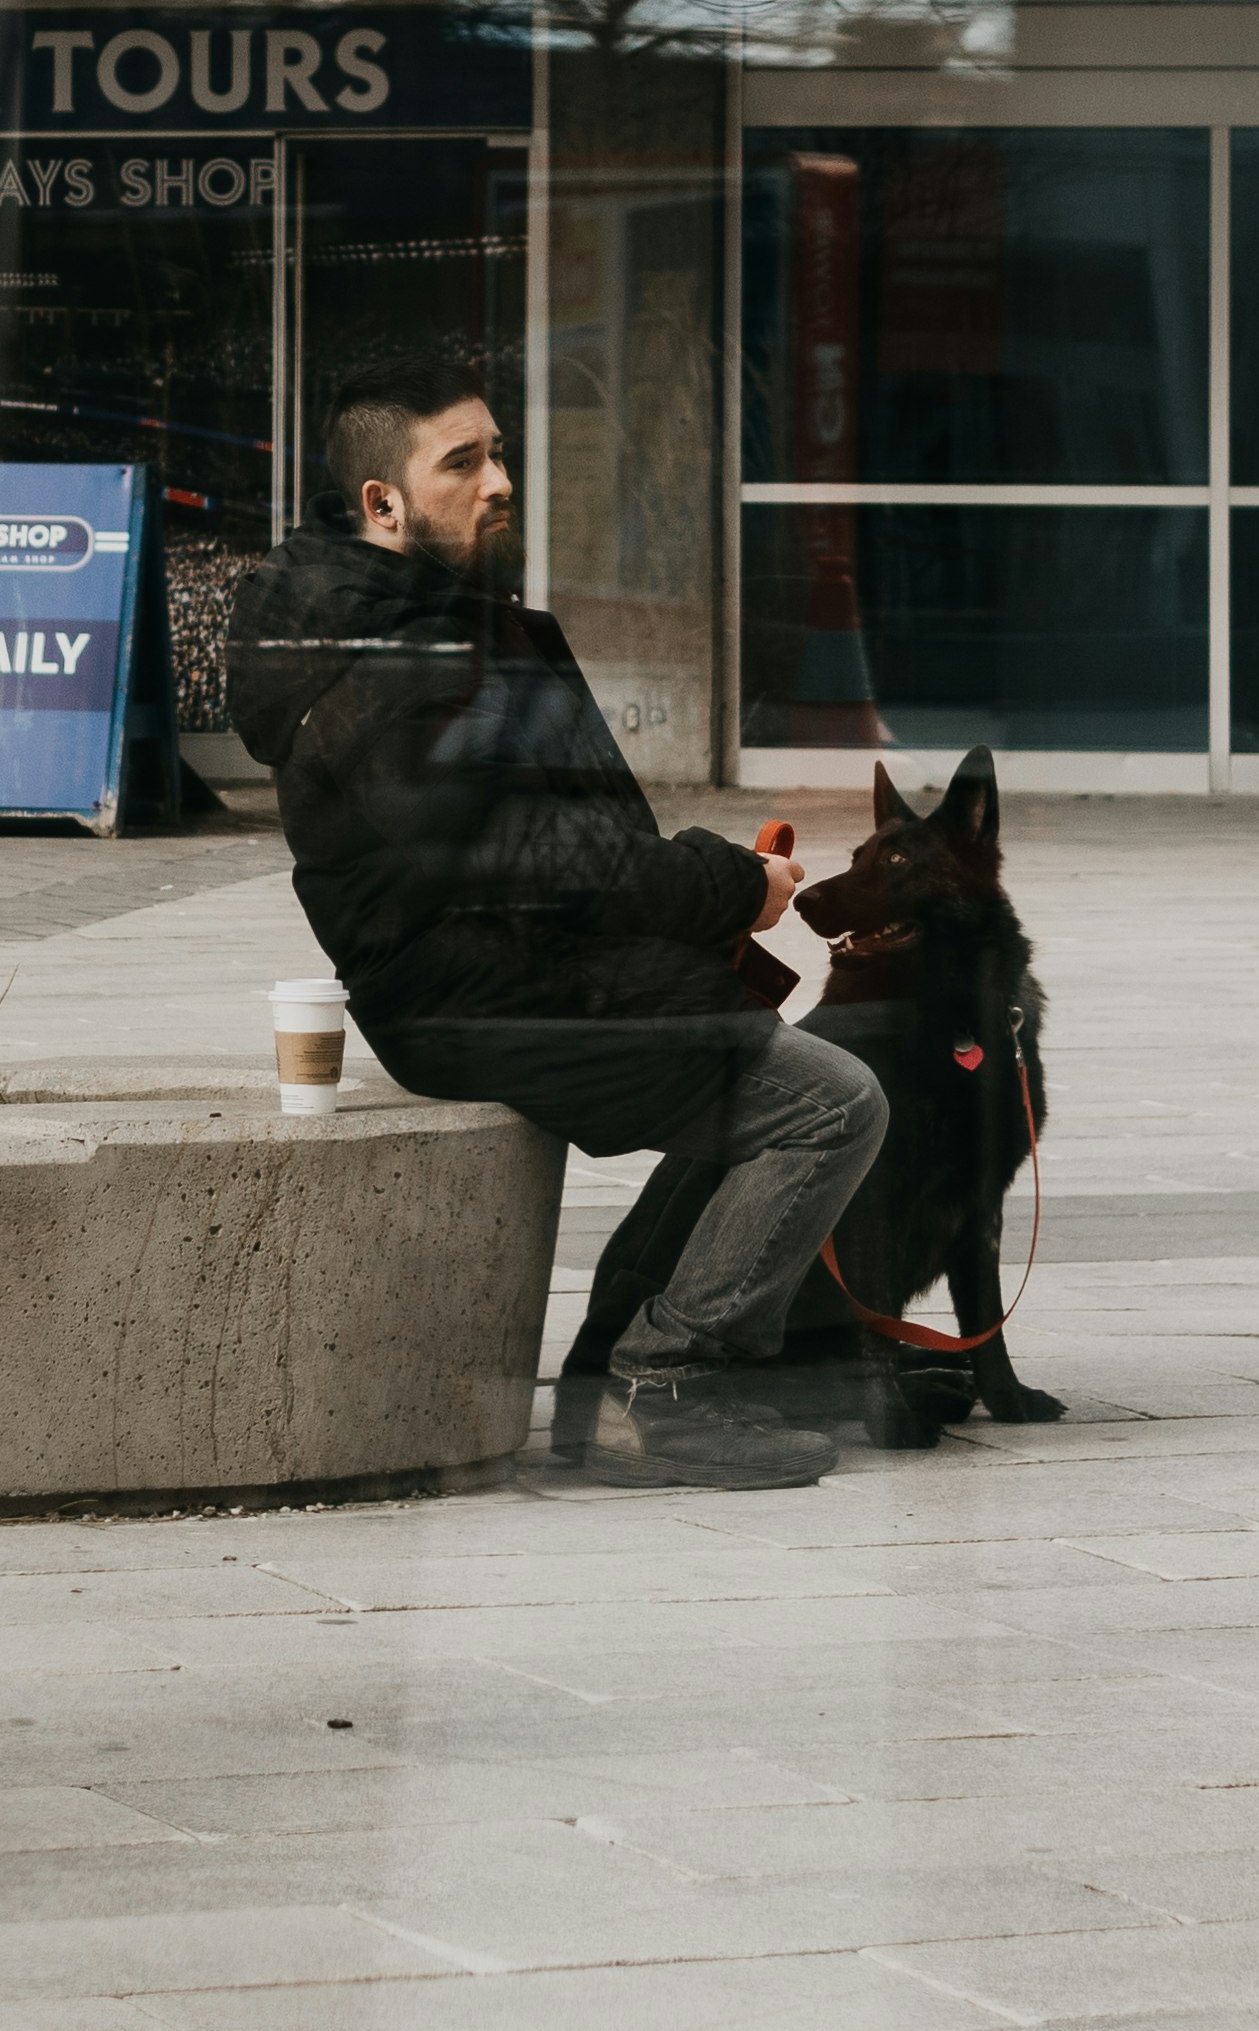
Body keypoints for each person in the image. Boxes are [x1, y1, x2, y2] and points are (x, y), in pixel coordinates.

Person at [224, 348, 887, 1489]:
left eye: (499, 455)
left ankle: (615, 1379)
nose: (498, 482)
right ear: (382, 502)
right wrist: (726, 885)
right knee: (831, 1105)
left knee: (768, 1074)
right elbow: (531, 856)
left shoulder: (425, 618)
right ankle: (662, 1381)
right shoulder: (386, 657)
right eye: (463, 463)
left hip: (527, 967)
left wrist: (707, 889)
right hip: (477, 994)